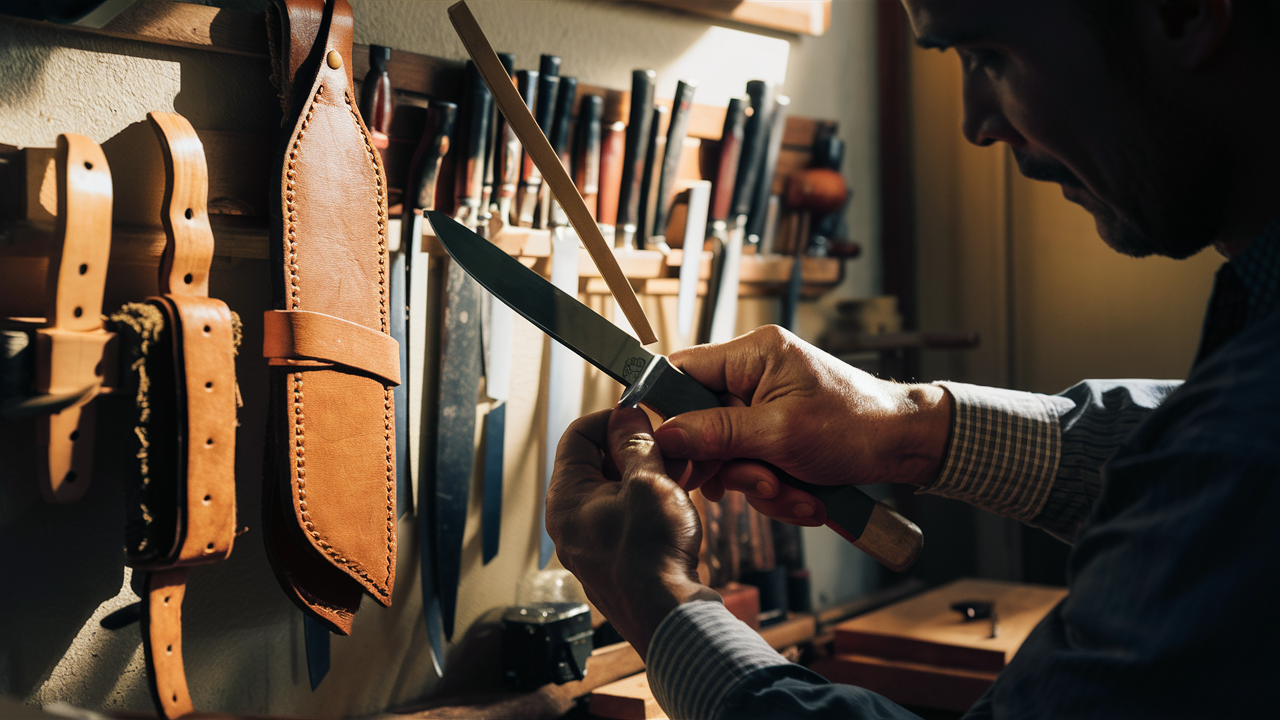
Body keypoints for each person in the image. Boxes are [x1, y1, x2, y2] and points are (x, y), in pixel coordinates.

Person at [546, 0, 1280, 718]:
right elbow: (1184, 455)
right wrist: (906, 426)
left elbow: (1221, 464)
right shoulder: (1245, 382)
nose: (975, 123)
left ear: (1182, 14)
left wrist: (658, 600)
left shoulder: (1243, 441)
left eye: (989, 55)